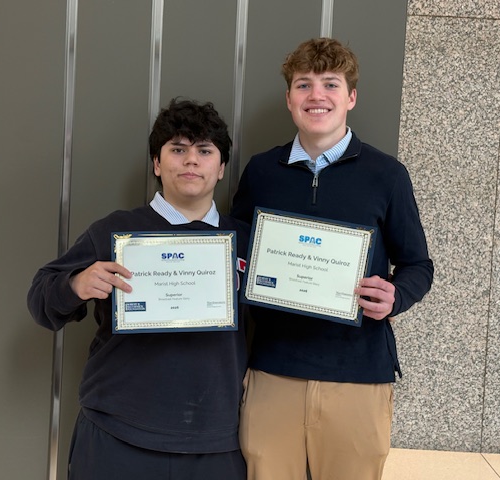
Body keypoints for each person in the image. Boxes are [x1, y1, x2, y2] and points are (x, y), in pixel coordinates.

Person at [231, 38, 434, 480]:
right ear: (289, 99)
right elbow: (238, 255)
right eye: (303, 84)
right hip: (274, 372)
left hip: (358, 375)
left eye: (330, 84)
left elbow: (419, 266)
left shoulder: (387, 175)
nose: (316, 95)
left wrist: (395, 296)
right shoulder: (261, 172)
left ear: (351, 97)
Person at [28, 98, 249, 480]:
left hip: (214, 442)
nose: (191, 160)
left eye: (204, 151)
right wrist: (76, 284)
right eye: (177, 149)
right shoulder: (114, 231)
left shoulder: (247, 241)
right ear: (157, 163)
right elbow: (40, 301)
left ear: (221, 167)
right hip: (117, 433)